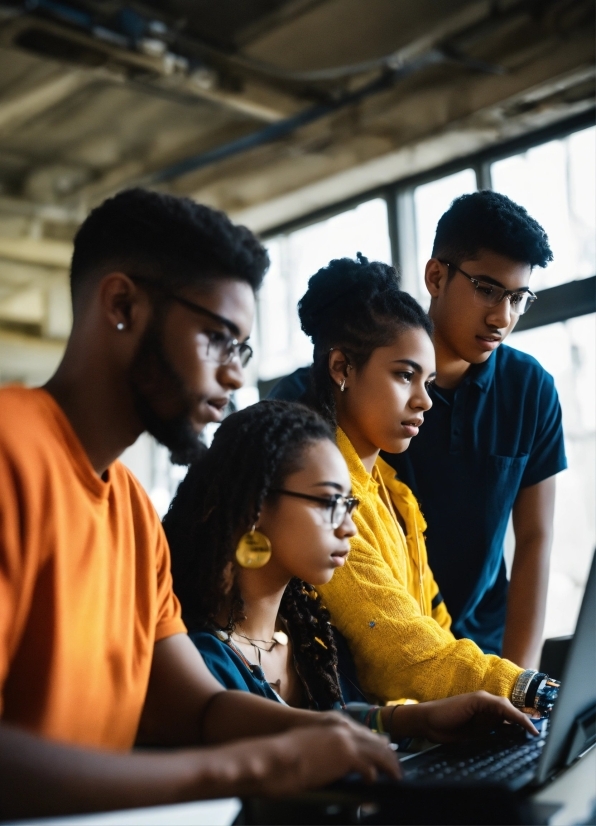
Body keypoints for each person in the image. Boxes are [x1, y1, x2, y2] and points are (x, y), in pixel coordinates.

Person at [0, 190, 399, 821]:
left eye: (241, 350)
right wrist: (253, 766)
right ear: (122, 305)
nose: (235, 376)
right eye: (217, 338)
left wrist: (335, 731)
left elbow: (196, 706)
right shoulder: (9, 452)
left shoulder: (131, 510)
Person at [270, 192, 565, 669]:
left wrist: (520, 678)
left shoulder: (529, 390)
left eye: (517, 298)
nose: (502, 317)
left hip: (477, 648)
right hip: (360, 653)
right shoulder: (318, 396)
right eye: (488, 289)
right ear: (436, 277)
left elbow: (535, 538)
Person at [164, 399, 539, 744]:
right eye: (329, 503)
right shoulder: (198, 662)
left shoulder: (312, 638)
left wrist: (418, 720)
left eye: (349, 505)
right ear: (256, 505)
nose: (349, 527)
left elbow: (336, 721)